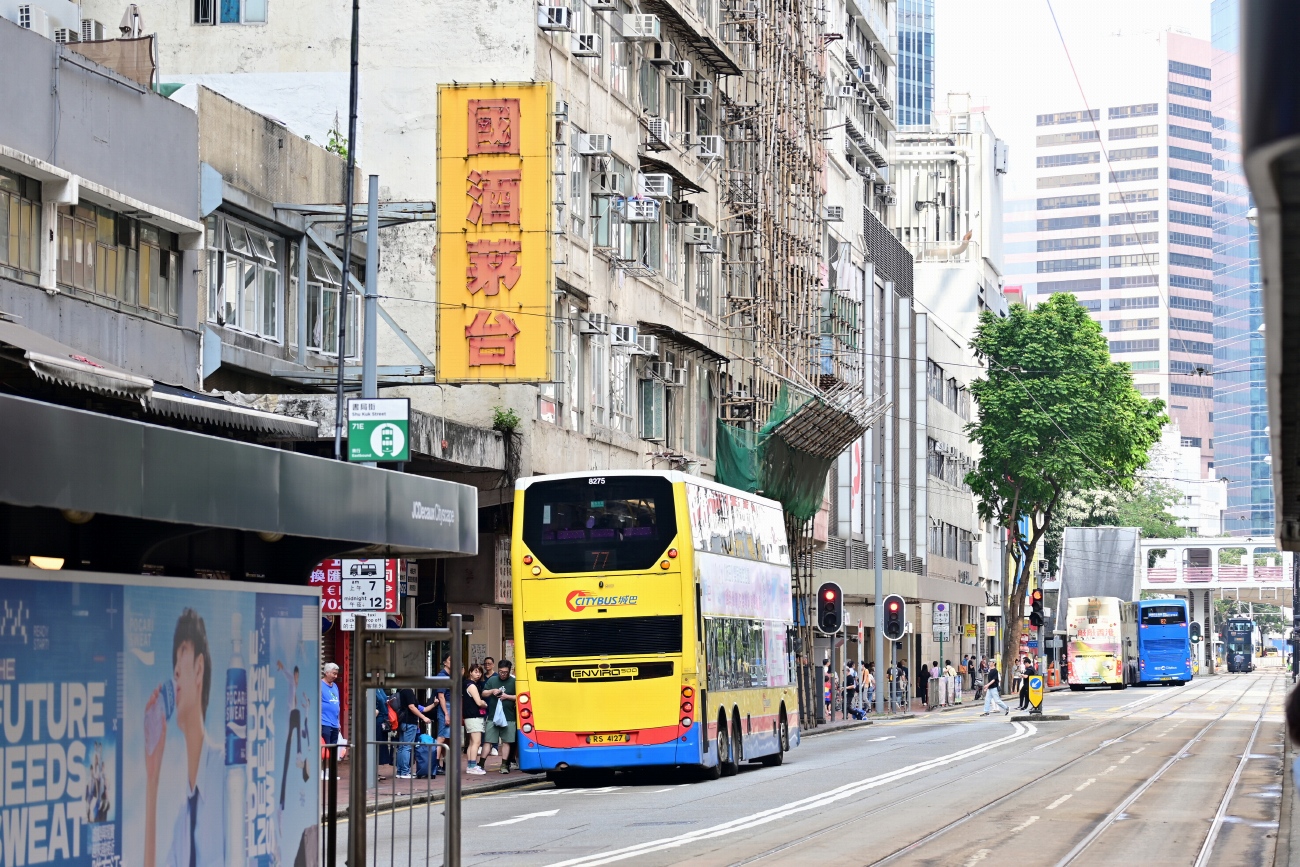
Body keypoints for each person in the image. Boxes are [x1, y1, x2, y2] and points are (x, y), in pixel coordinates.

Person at [145, 608, 226, 867]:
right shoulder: (182, 820)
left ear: (199, 668)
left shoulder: (226, 771)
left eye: (183, 653)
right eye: (174, 664)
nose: (176, 671)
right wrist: (152, 779)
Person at [483, 659, 518, 774]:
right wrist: (492, 691)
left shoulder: (514, 681)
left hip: (509, 717)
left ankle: (504, 765)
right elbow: (483, 693)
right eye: (501, 672)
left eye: (505, 672)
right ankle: (481, 764)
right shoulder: (492, 680)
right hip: (493, 716)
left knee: (506, 742)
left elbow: (520, 696)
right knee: (488, 741)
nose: (503, 674)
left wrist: (507, 696)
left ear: (509, 671)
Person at [395, 683, 433, 779]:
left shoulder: (400, 690)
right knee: (407, 747)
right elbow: (411, 706)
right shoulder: (408, 691)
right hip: (410, 722)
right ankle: (405, 772)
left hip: (402, 722)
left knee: (402, 747)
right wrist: (423, 717)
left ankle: (400, 771)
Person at [463, 664, 489, 775]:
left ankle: (470, 765)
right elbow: (479, 702)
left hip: (469, 716)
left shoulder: (466, 684)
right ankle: (473, 766)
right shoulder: (472, 685)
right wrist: (485, 704)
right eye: (475, 672)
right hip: (474, 716)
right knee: (477, 742)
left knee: (472, 742)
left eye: (480, 672)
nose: (478, 674)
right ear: (470, 672)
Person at [321, 662, 341, 749]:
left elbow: (337, 705)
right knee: (326, 749)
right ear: (327, 672)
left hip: (335, 724)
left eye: (336, 674)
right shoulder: (320, 685)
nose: (336, 676)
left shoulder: (335, 686)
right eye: (334, 673)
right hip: (324, 723)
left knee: (333, 749)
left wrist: (338, 722)